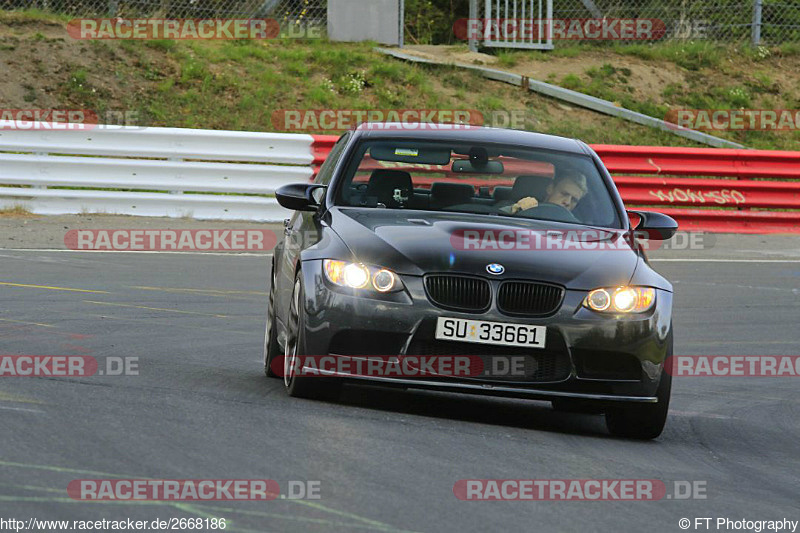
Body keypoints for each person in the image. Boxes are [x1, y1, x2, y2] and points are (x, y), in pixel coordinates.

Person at [503, 171, 589, 215]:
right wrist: (515, 209)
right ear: (550, 189)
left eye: (574, 200)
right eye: (564, 194)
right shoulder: (522, 206)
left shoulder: (579, 226)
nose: (567, 202)